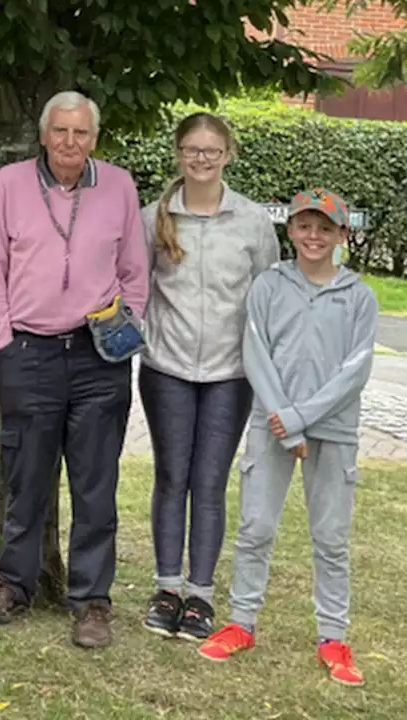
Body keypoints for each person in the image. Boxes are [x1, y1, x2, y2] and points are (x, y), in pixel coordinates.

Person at [0, 91, 148, 649]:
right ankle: (12, 585)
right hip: (30, 351)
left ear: (94, 139)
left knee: (96, 482)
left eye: (81, 133)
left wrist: (125, 330)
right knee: (26, 477)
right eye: (61, 132)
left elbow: (134, 271)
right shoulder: (10, 183)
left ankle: (91, 600)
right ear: (44, 135)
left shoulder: (118, 186)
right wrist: (4, 339)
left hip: (99, 357)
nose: (70, 143)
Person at [198, 188, 376, 688]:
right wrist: (284, 418)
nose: (313, 236)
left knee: (331, 537)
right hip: (271, 426)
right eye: (304, 226)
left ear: (342, 234)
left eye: (325, 228)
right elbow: (254, 352)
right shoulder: (269, 286)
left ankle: (333, 636)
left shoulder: (359, 297)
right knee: (255, 527)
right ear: (291, 230)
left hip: (332, 430)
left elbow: (355, 371)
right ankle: (242, 622)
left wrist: (302, 418)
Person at [138, 112, 279, 642]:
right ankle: (167, 587)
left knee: (210, 482)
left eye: (212, 150)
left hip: (229, 372)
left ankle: (200, 596)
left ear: (228, 154)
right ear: (178, 153)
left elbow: (266, 294)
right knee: (172, 477)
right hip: (166, 368)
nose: (201, 158)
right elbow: (137, 286)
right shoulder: (154, 217)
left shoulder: (250, 221)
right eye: (192, 149)